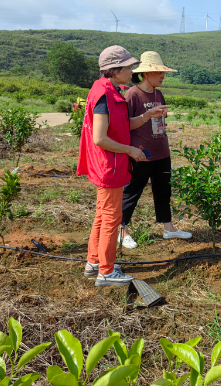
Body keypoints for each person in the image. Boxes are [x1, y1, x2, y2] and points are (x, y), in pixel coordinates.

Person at [77, 45, 169, 287]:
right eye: (128, 67)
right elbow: (100, 138)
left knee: (102, 214)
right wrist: (131, 150)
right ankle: (106, 273)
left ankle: (95, 262)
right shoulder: (104, 96)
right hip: (110, 166)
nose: (132, 71)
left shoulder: (110, 91)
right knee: (111, 218)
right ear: (115, 70)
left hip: (111, 165)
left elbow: (121, 125)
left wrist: (147, 116)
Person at [118, 51, 192, 249]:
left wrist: (161, 115)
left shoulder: (158, 93)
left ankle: (169, 228)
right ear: (146, 74)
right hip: (142, 152)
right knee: (132, 191)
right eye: (158, 72)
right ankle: (122, 230)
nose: (162, 76)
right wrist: (147, 115)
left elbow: (157, 119)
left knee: (163, 191)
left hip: (161, 150)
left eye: (163, 72)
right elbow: (125, 125)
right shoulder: (132, 95)